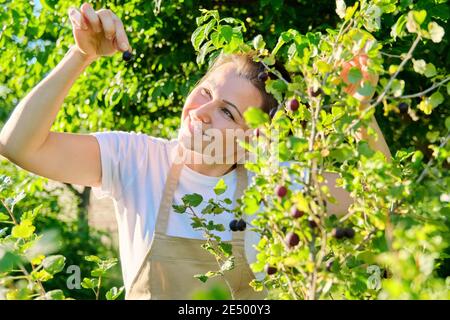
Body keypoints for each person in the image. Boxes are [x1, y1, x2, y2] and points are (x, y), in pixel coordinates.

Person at [0, 3, 391, 299]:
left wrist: (358, 108)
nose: (200, 114)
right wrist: (81, 54)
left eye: (227, 111)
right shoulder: (138, 159)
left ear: (255, 138)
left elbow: (381, 201)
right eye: (205, 92)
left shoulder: (277, 185)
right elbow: (19, 146)